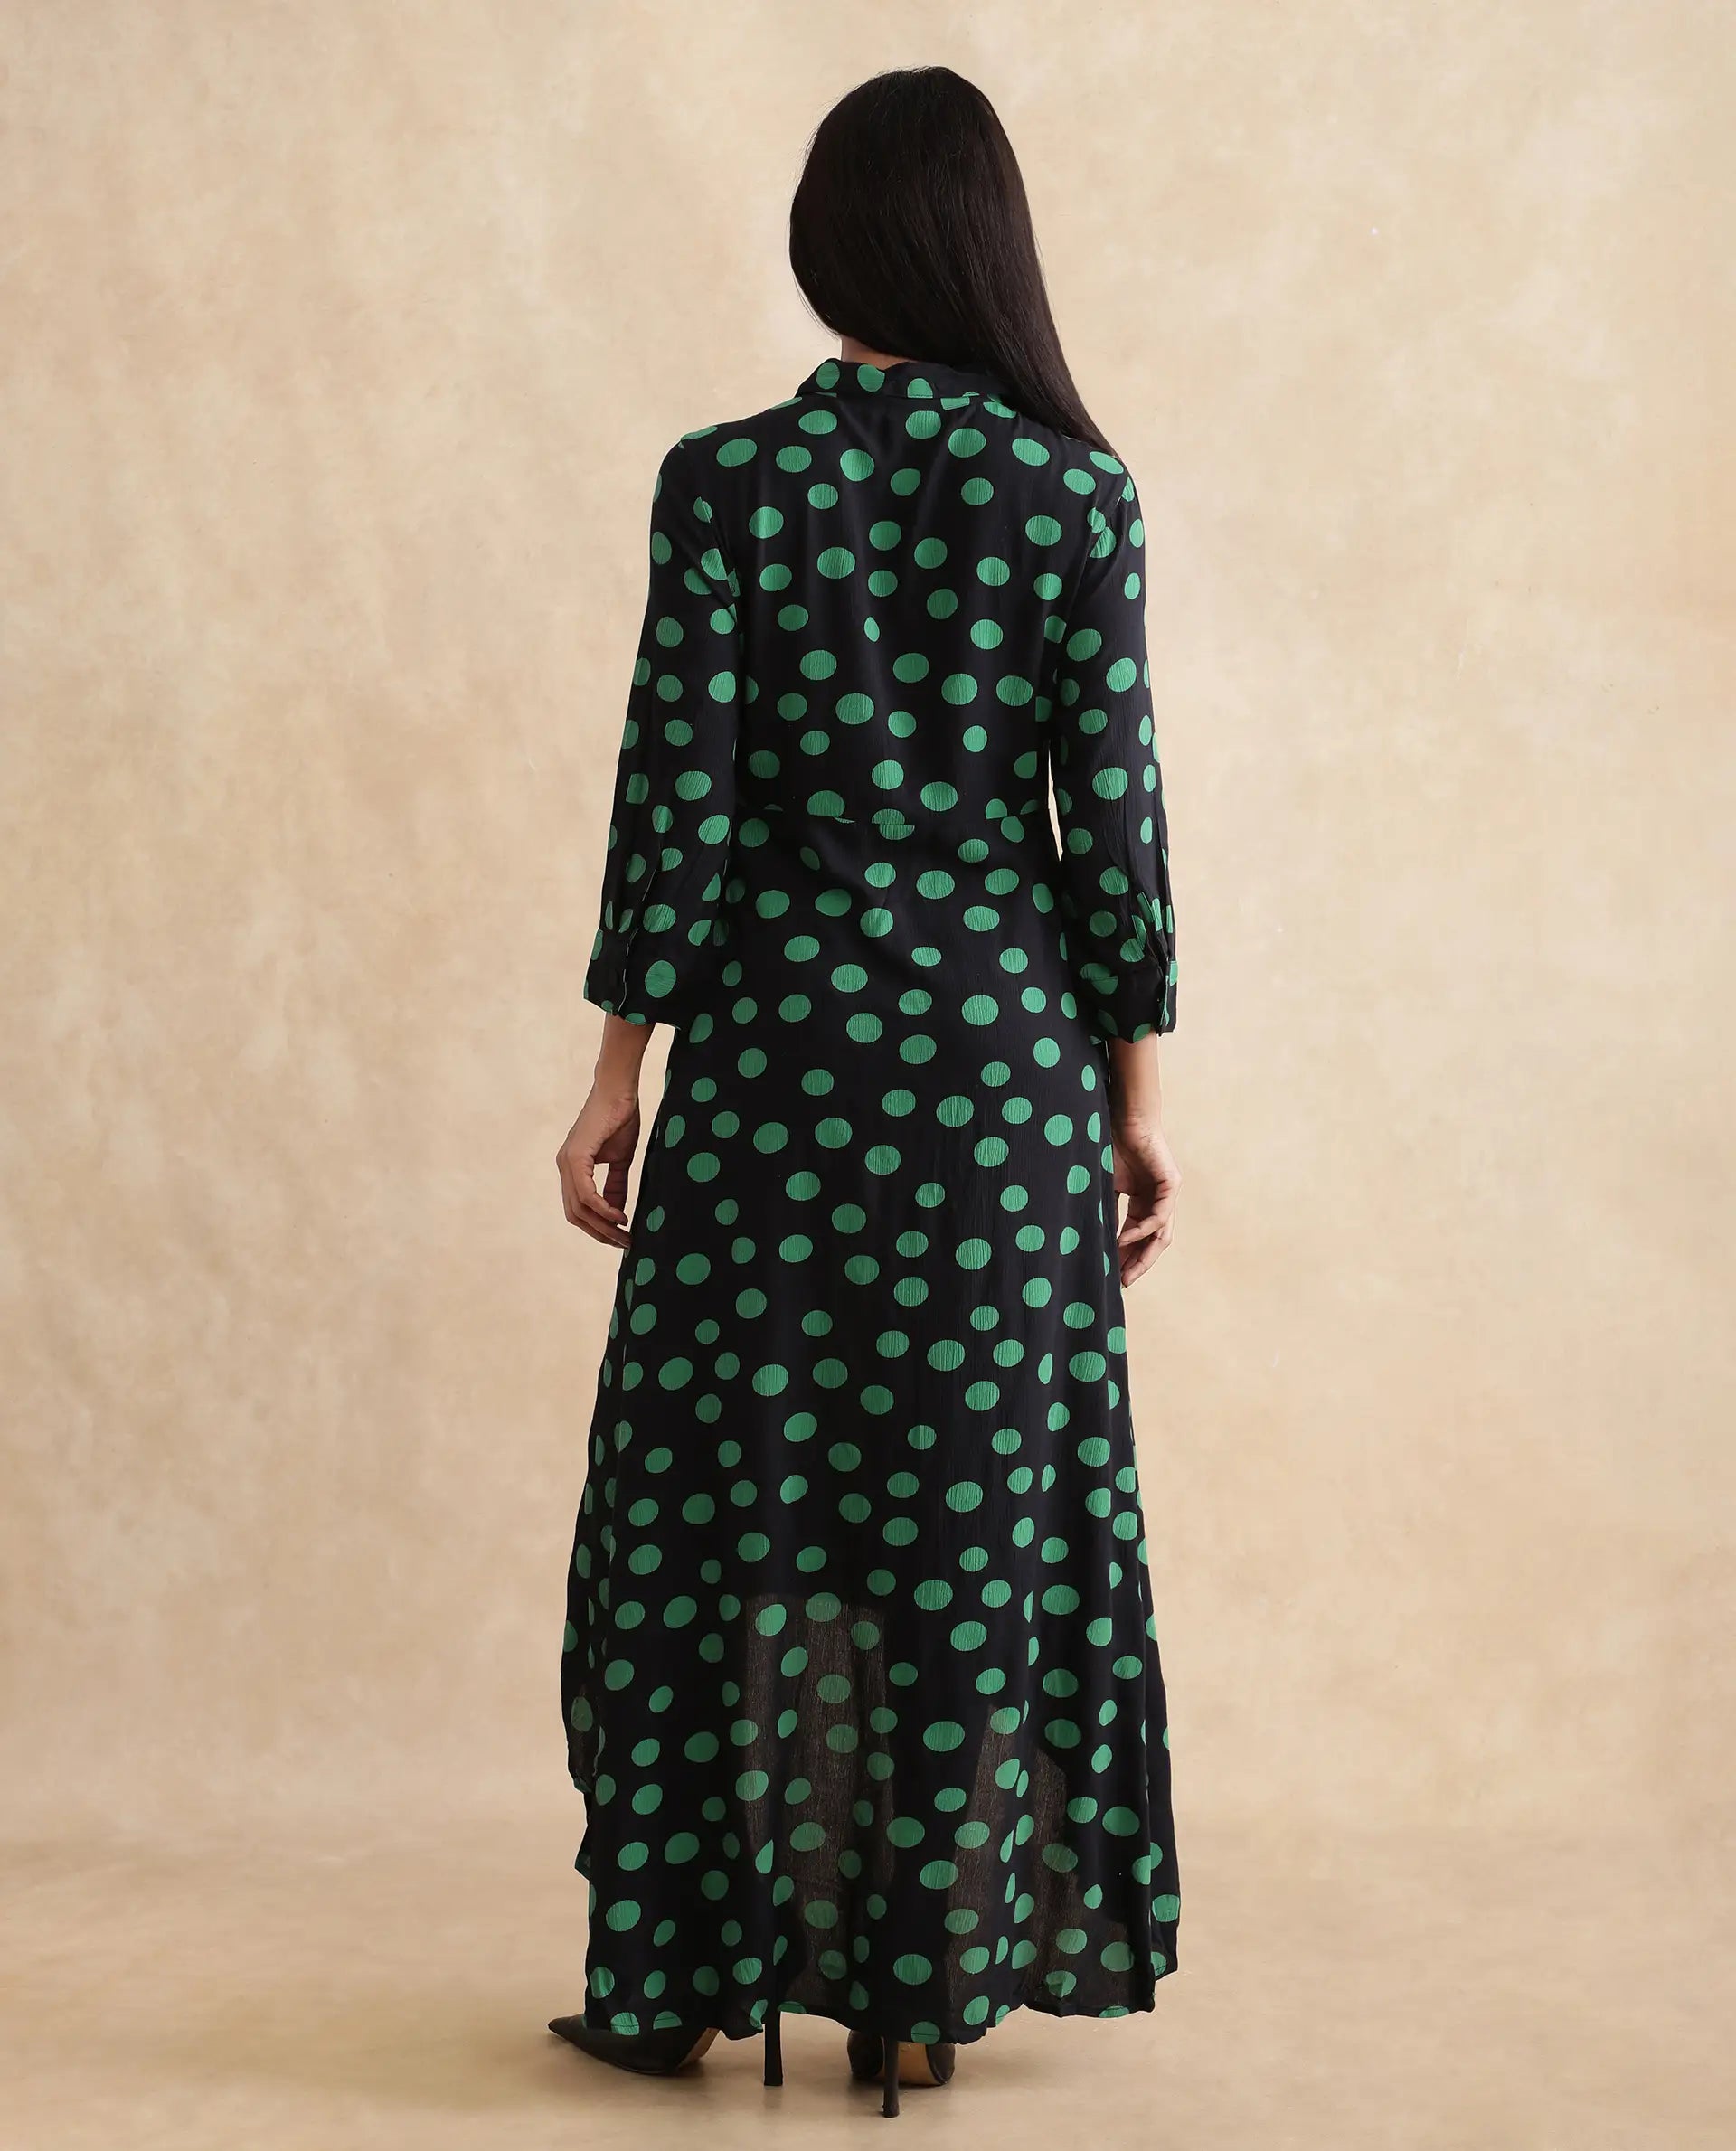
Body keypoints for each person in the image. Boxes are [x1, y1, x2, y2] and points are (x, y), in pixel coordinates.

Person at [551, 64, 1181, 2118]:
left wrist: (617, 1072)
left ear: (830, 242)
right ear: (984, 247)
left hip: (773, 1068)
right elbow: (1115, 834)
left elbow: (678, 800)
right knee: (965, 1512)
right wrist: (1132, 1101)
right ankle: (917, 1983)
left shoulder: (726, 483)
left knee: (730, 1500)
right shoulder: (1077, 499)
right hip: (1000, 1081)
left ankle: (685, 1966)